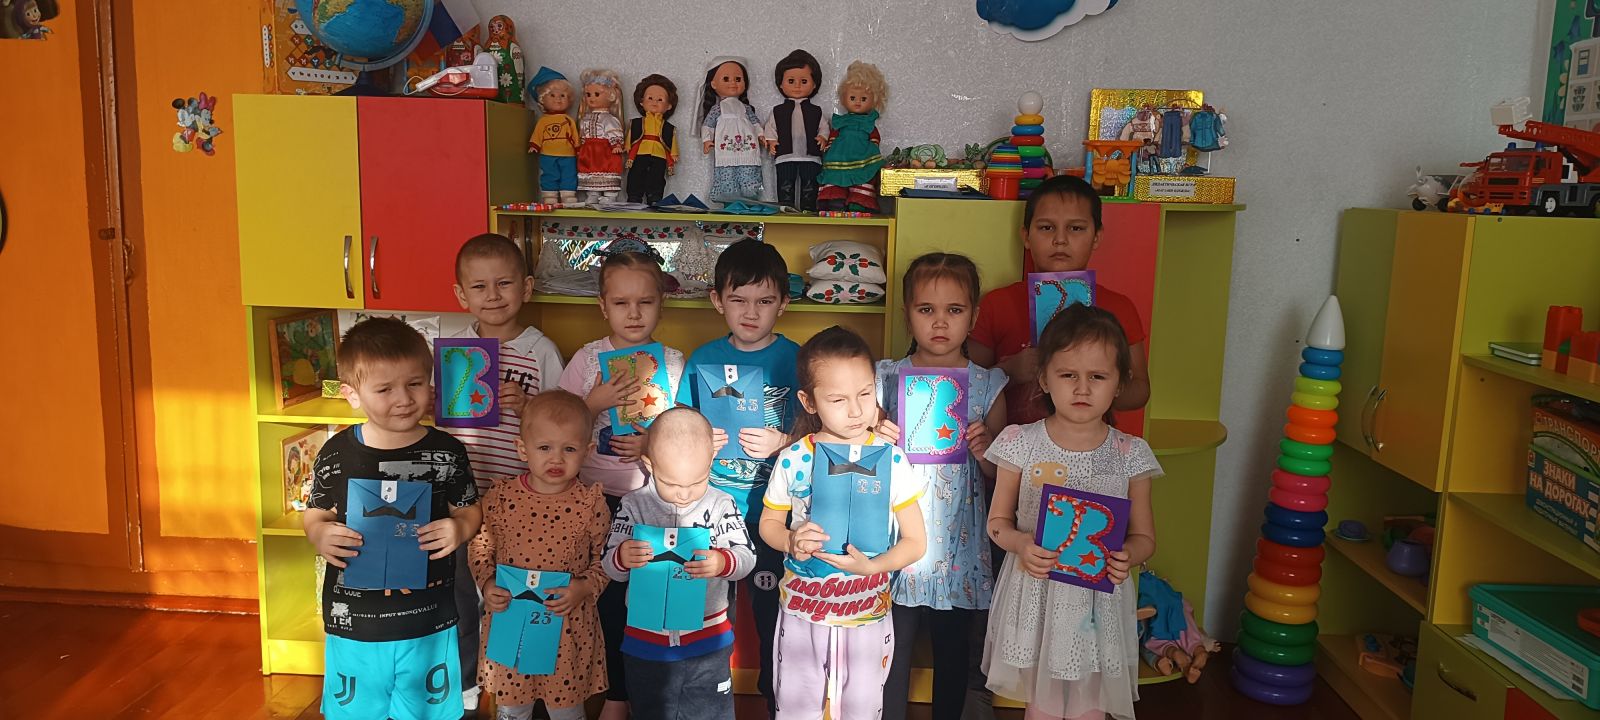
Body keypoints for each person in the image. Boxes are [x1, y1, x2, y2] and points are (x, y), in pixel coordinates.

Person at [982, 303, 1161, 720]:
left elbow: (1145, 538)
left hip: (1098, 603)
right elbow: (997, 523)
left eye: (1097, 376)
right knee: (1041, 706)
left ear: (1119, 383)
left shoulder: (1130, 453)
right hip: (1036, 593)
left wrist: (1128, 555)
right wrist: (1021, 544)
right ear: (1044, 378)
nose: (1082, 388)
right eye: (1068, 375)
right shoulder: (1019, 442)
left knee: (1089, 708)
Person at [303, 317, 481, 720]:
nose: (403, 399)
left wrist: (459, 528)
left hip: (429, 622)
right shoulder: (336, 452)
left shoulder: (448, 452)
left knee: (425, 713)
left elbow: (470, 509)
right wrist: (319, 533)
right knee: (357, 713)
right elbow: (316, 512)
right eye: (385, 389)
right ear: (352, 394)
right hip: (356, 623)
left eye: (415, 383)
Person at [759, 327, 928, 720]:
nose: (856, 411)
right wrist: (790, 540)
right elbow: (769, 523)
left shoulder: (891, 459)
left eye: (865, 394)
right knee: (796, 708)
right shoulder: (794, 458)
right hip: (802, 611)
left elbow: (915, 541)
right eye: (838, 399)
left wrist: (874, 566)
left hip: (866, 614)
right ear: (809, 401)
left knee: (862, 709)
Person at [872, 253, 1007, 720]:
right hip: (898, 536)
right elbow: (860, 458)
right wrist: (877, 437)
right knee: (892, 644)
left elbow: (1002, 476)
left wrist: (986, 451)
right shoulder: (885, 379)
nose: (940, 322)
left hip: (958, 542)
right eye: (926, 309)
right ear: (907, 313)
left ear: (974, 316)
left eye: (955, 310)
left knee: (953, 648)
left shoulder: (987, 385)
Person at [557, 245, 685, 720]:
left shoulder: (673, 362)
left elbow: (687, 435)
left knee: (650, 599)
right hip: (596, 499)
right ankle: (615, 694)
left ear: (660, 305)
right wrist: (593, 403)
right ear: (603, 306)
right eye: (621, 303)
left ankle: (648, 690)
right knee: (607, 598)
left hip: (653, 501)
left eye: (645, 302)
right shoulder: (589, 359)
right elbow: (559, 424)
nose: (633, 313)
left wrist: (653, 441)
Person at [674, 238, 798, 717]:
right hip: (713, 511)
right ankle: (700, 702)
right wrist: (701, 442)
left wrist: (782, 441)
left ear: (783, 304)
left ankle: (777, 701)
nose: (751, 312)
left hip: (773, 513)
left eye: (764, 301)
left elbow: (819, 432)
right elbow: (679, 430)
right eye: (738, 299)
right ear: (717, 300)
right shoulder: (702, 359)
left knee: (772, 615)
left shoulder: (796, 359)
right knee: (706, 613)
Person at [446, 232, 565, 712]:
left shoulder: (540, 351)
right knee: (465, 592)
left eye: (504, 284)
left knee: (512, 591)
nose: (492, 296)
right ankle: (469, 684)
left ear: (527, 287)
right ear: (461, 295)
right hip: (464, 496)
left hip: (519, 499)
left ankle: (523, 682)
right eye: (479, 287)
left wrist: (528, 405)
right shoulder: (453, 350)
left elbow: (561, 420)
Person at [602, 408, 756, 720]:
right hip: (646, 645)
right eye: (671, 484)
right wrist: (623, 557)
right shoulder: (633, 505)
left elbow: (747, 557)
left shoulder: (721, 503)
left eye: (697, 482)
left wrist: (722, 561)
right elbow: (610, 567)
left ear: (710, 462)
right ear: (649, 465)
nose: (684, 495)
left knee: (710, 714)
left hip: (708, 644)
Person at [470, 390, 611, 720]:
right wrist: (486, 583)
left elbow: (606, 558)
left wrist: (584, 587)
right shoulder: (501, 496)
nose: (556, 459)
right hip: (510, 621)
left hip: (567, 627)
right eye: (545, 447)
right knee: (512, 708)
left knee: (565, 710)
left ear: (588, 451)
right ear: (523, 449)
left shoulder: (590, 503)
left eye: (569, 449)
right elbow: (480, 546)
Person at [969, 173, 1150, 429]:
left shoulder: (1118, 308)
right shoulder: (997, 304)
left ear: (1096, 237)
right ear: (1026, 236)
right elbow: (966, 385)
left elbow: (1140, 390)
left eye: (1076, 228)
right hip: (1012, 446)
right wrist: (1009, 370)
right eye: (1046, 227)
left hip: (1089, 445)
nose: (1060, 239)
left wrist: (1098, 381)